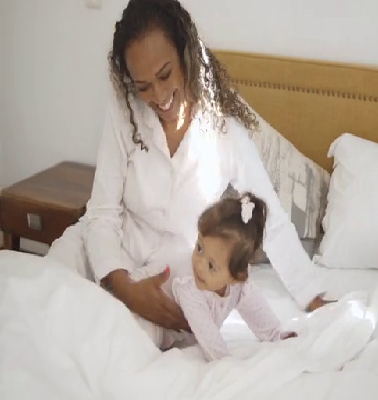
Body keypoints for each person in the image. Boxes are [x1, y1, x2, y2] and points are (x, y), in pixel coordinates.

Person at [46, 0, 327, 339]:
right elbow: (101, 213)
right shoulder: (124, 111)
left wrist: (314, 297)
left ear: (186, 54)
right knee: (40, 296)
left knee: (110, 336)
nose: (158, 95)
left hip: (172, 270)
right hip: (106, 246)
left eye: (165, 75)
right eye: (143, 86)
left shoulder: (224, 128)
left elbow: (270, 220)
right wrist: (124, 286)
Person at [132, 193, 298, 361]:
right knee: (139, 343)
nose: (199, 265)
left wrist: (275, 335)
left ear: (236, 277)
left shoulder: (240, 284)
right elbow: (211, 343)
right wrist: (226, 363)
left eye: (211, 266)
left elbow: (257, 309)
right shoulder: (188, 284)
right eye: (199, 248)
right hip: (138, 304)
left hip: (170, 330)